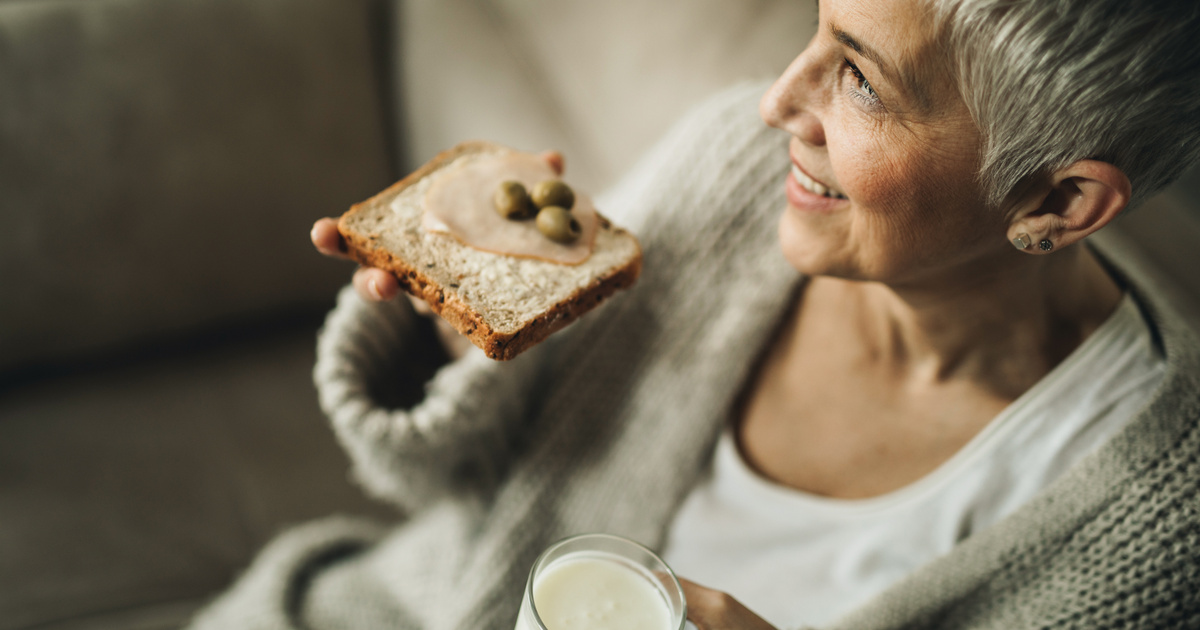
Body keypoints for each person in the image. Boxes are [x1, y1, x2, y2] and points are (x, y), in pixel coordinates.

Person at [189, 0, 1200, 628]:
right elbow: (449, 492)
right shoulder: (734, 169)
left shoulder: (1162, 531)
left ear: (1058, 204)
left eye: (859, 78)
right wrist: (453, 343)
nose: (775, 101)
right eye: (817, 29)